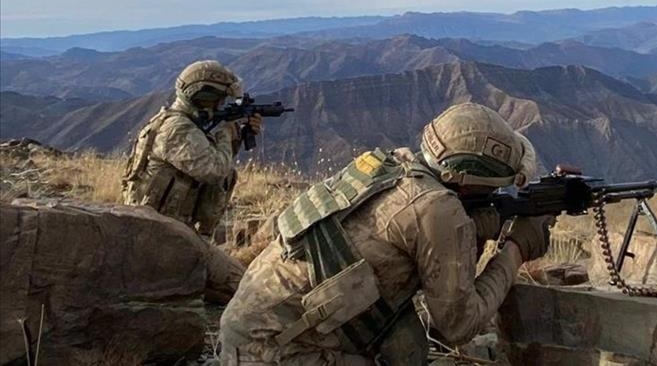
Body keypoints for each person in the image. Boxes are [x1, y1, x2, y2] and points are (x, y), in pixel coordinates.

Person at [220, 102, 553, 365]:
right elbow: (458, 326)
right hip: (273, 354)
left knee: (406, 341)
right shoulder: (439, 209)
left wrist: (478, 227)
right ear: (469, 182)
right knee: (406, 350)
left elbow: (390, 229)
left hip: (245, 333)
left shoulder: (392, 165)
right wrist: (516, 249)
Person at [122, 60, 261, 238]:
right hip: (154, 229)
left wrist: (238, 134)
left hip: (165, 224)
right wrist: (225, 134)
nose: (221, 104)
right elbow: (215, 170)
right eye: (219, 98)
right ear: (204, 96)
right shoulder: (177, 129)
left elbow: (212, 158)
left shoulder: (187, 123)